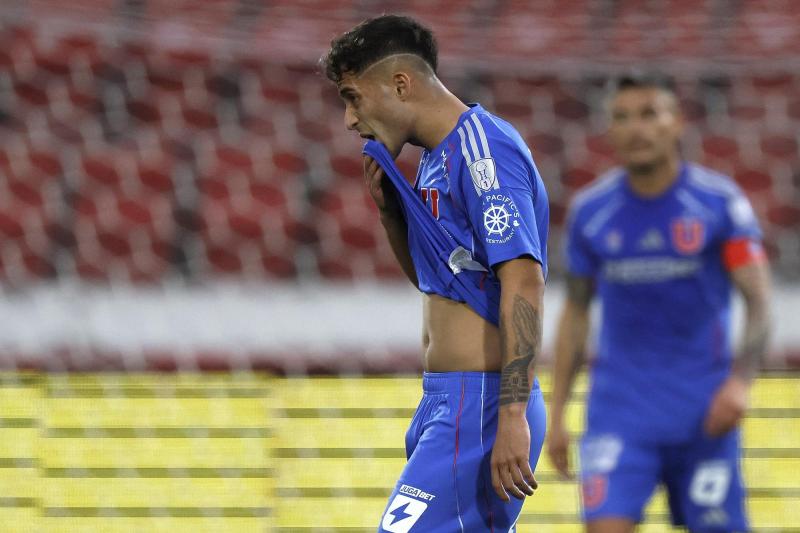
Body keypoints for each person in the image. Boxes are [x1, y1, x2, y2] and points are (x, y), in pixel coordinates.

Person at [322, 14, 550, 532]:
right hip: (445, 398)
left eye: (353, 97)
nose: (349, 120)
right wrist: (389, 215)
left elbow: (524, 280)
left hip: (485, 403)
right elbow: (440, 285)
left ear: (400, 84)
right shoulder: (432, 159)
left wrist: (511, 416)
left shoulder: (483, 150)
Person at [546, 72, 772, 533]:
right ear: (609, 131)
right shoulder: (591, 212)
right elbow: (575, 314)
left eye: (649, 114)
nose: (636, 128)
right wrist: (556, 415)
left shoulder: (718, 204)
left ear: (677, 123)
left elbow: (760, 302)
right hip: (620, 415)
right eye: (622, 117)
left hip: (704, 416)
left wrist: (740, 384)